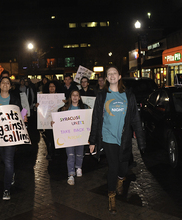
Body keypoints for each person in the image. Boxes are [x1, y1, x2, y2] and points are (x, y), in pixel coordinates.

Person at [88, 65, 146, 214]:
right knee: (113, 167)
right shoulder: (102, 96)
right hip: (108, 137)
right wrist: (93, 141)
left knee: (124, 168)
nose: (112, 76)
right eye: (109, 74)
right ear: (107, 78)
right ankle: (111, 196)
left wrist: (141, 141)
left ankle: (121, 179)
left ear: (119, 76)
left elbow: (135, 120)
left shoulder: (128, 96)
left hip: (124, 138)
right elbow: (95, 119)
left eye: (115, 73)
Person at [0, 77, 27, 201]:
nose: (4, 84)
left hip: (10, 135)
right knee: (4, 158)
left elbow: (21, 111)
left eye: (7, 83)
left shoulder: (14, 99)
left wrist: (24, 117)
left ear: (10, 86)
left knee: (8, 161)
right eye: (3, 82)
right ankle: (11, 173)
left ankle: (6, 189)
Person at [54, 89, 89, 185]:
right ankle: (71, 174)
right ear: (70, 97)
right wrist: (54, 122)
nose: (75, 97)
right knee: (70, 155)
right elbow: (58, 119)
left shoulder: (85, 108)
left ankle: (78, 167)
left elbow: (89, 119)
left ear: (79, 97)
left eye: (76, 95)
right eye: (73, 95)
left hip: (80, 135)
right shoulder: (65, 108)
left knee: (79, 154)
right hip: (68, 137)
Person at [36, 80, 62, 160]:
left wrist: (65, 103)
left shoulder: (60, 97)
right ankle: (50, 152)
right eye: (50, 86)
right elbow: (40, 109)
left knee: (56, 137)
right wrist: (37, 106)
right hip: (47, 121)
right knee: (48, 137)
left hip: (56, 120)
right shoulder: (43, 97)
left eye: (53, 86)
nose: (51, 88)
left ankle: (55, 151)